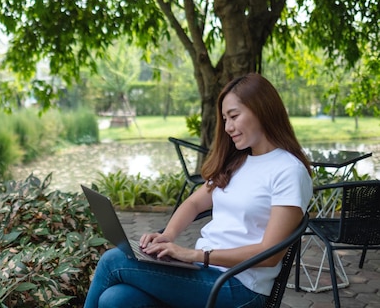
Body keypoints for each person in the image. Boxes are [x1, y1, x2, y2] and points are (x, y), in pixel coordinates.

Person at [84, 73, 313, 308]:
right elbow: (194, 203)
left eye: (234, 116)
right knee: (115, 300)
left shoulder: (288, 170)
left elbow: (270, 253)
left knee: (113, 261)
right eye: (225, 119)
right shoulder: (238, 162)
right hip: (204, 274)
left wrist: (194, 255)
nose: (228, 127)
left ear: (262, 110)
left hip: (240, 286)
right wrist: (168, 235)